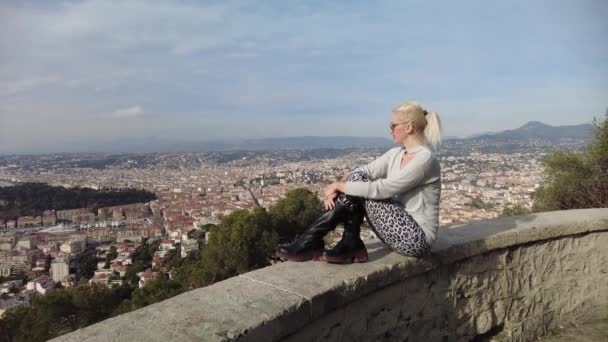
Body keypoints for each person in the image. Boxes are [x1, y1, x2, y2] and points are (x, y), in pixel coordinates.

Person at [276, 101, 442, 263]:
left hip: (417, 239)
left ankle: (313, 241)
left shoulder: (425, 159)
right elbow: (363, 171)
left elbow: (383, 189)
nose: (390, 130)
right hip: (400, 230)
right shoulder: (396, 154)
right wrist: (338, 185)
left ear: (409, 127)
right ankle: (344, 242)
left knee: (360, 185)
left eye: (393, 125)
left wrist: (337, 186)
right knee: (357, 180)